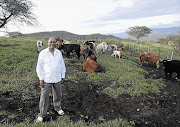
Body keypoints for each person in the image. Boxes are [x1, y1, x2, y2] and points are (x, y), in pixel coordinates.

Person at [36, 37, 66, 123]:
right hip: (46, 79)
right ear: (47, 43)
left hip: (57, 78)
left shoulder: (58, 52)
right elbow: (39, 67)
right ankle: (42, 115)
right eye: (50, 42)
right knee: (44, 97)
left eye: (53, 42)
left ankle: (58, 108)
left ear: (56, 43)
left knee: (58, 95)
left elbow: (62, 64)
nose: (52, 44)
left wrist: (63, 75)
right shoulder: (43, 53)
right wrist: (41, 79)